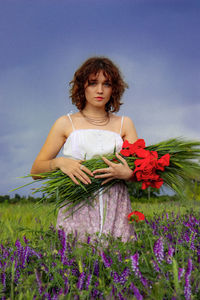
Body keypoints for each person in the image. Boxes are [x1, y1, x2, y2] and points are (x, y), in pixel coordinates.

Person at [31, 57, 138, 242]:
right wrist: (60, 162)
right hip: (77, 204)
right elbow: (36, 171)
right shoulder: (65, 123)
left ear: (114, 89)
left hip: (116, 206)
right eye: (93, 83)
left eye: (107, 84)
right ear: (82, 87)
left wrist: (127, 174)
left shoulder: (124, 124)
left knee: (119, 261)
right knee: (77, 261)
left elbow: (141, 171)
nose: (100, 90)